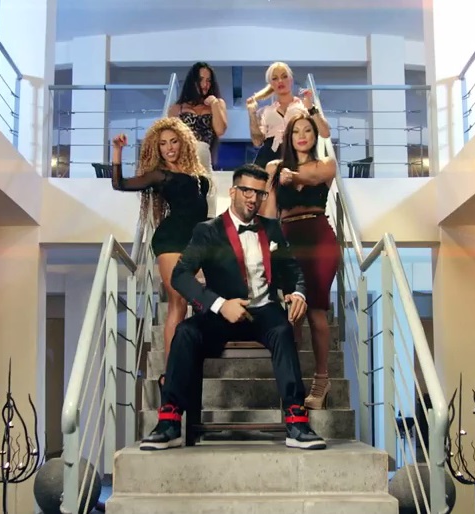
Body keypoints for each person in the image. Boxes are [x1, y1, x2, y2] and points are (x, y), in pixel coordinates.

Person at [139, 164, 328, 451]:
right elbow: (180, 275)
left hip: (264, 311)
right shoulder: (207, 231)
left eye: (260, 193)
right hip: (220, 313)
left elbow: (293, 271)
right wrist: (219, 304)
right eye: (247, 191)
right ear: (233, 192)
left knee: (283, 330)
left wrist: (298, 293)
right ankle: (169, 422)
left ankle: (296, 422)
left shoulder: (272, 228)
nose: (253, 199)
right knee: (185, 332)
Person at [108, 118, 212, 389]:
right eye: (163, 144)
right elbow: (120, 184)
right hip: (171, 239)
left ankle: (187, 360)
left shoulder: (196, 172)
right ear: (157, 148)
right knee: (178, 300)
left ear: (183, 143)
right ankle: (171, 372)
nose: (169, 148)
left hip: (197, 240)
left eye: (174, 141)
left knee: (196, 299)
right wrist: (117, 151)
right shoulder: (159, 175)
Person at [263, 114, 339, 410]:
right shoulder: (274, 167)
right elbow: (269, 212)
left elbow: (313, 179)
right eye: (297, 131)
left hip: (319, 237)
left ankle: (321, 381)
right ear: (289, 136)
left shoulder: (325, 164)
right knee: (291, 313)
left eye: (308, 130)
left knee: (316, 310)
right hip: (287, 239)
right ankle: (292, 384)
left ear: (315, 136)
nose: (303, 135)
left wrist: (293, 177)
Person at [245, 61, 330, 170]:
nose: (280, 81)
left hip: (298, 157)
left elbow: (325, 133)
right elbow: (257, 142)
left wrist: (311, 108)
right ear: (271, 84)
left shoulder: (304, 106)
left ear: (291, 80)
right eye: (275, 78)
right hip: (268, 159)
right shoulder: (265, 111)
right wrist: (252, 114)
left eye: (284, 76)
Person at [168, 62, 227, 176]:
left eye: (208, 80)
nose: (205, 84)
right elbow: (169, 138)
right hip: (182, 162)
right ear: (193, 81)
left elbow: (220, 130)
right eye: (201, 80)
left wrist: (214, 103)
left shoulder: (217, 103)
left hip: (204, 159)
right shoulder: (177, 108)